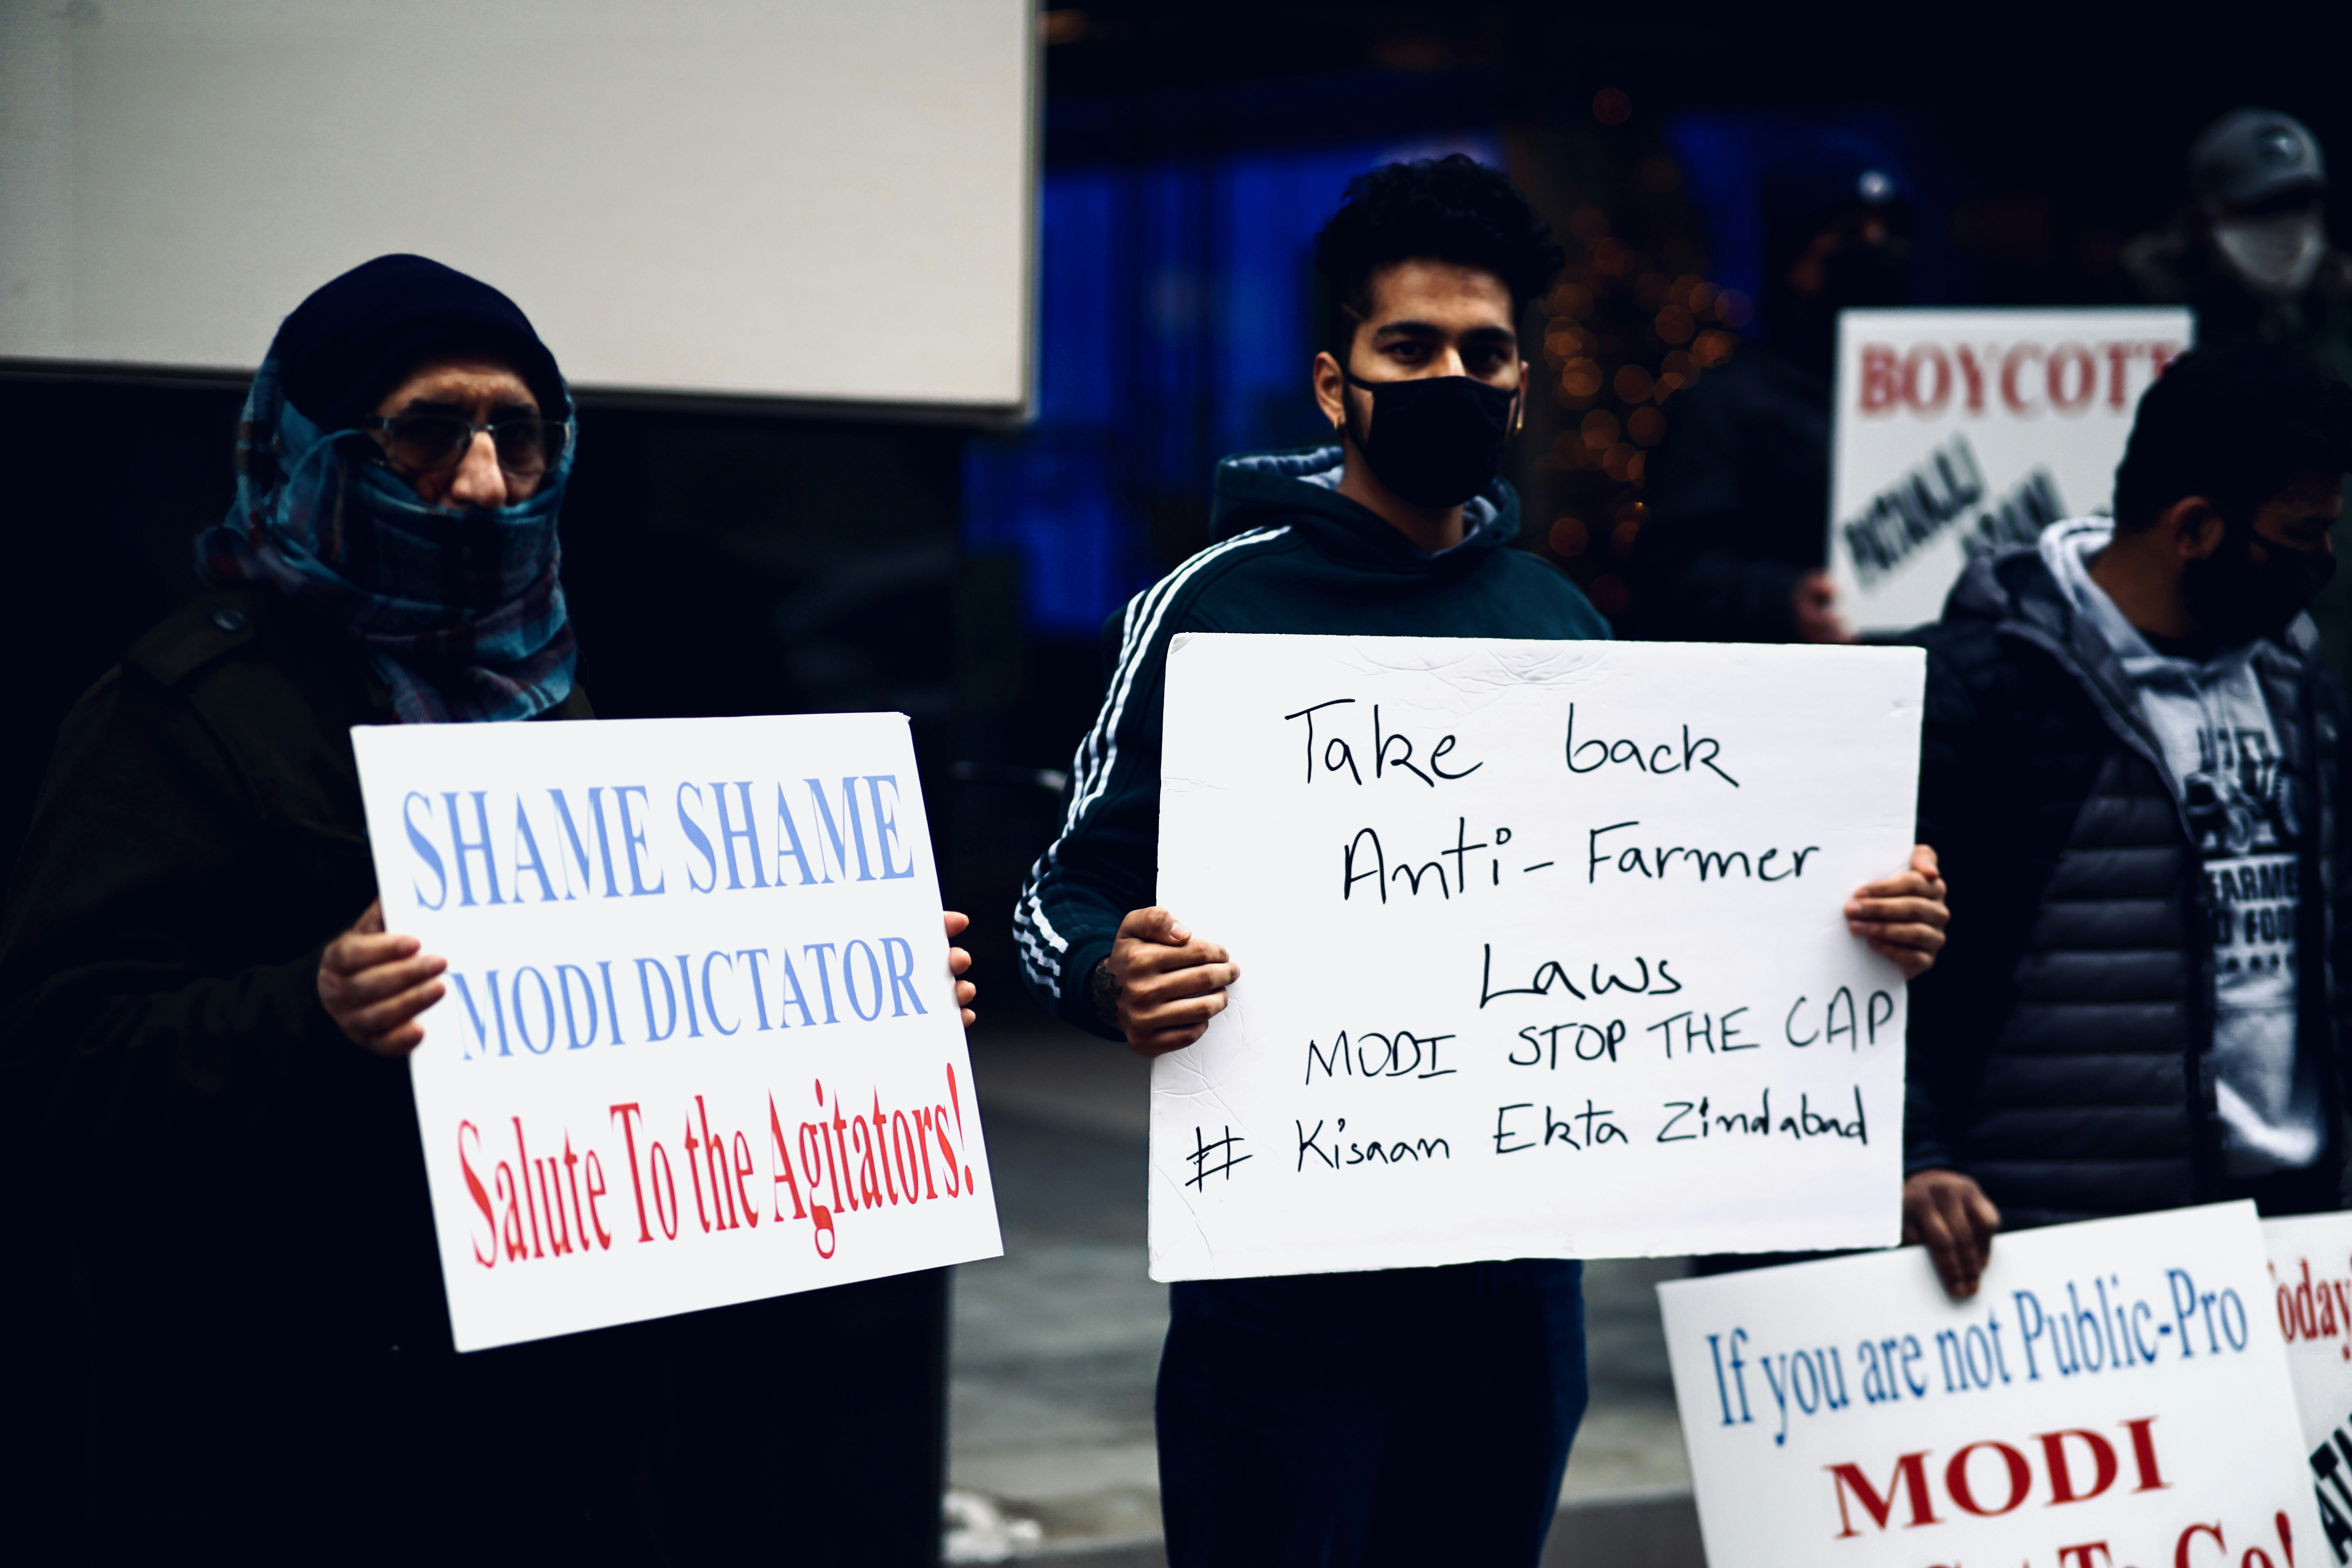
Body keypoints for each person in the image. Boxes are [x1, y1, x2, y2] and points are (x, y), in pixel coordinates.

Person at [1013, 155, 1951, 1567]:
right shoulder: (1212, 607)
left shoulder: (1563, 620)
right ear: (1337, 384)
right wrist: (1104, 971)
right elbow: (1054, 892)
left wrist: (1862, 921)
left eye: (1485, 352)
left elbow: (1683, 907)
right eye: (1413, 348)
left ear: (1520, 387)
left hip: (1516, 1296)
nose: (1453, 375)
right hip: (1284, 1288)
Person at [0, 255, 977, 1562]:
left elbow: (646, 1028)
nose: (478, 482)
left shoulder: (556, 693)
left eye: (515, 433)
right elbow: (59, 1058)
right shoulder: (180, 713)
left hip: (556, 1424)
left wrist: (868, 1004)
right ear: (311, 451)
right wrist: (309, 1009)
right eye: (425, 432)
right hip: (291, 1430)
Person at [1901, 343, 2352, 1302]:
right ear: (2194, 527)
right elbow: (1874, 963)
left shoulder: (2295, 677)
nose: (2323, 563)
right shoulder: (1984, 688)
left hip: (2293, 1236)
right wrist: (1914, 1157)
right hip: (2053, 1254)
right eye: (2300, 535)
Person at [1629, 131, 1913, 644]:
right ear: (1794, 259)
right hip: (1794, 689)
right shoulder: (1723, 402)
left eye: (1890, 234)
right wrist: (1784, 602)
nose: (1877, 250)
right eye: (1850, 234)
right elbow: (1674, 575)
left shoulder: (1925, 395)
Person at [2127, 109, 2352, 701]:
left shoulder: (2342, 333)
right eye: (2258, 211)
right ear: (2203, 219)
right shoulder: (2136, 344)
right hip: (2189, 684)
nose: (2284, 231)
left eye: (2300, 207)